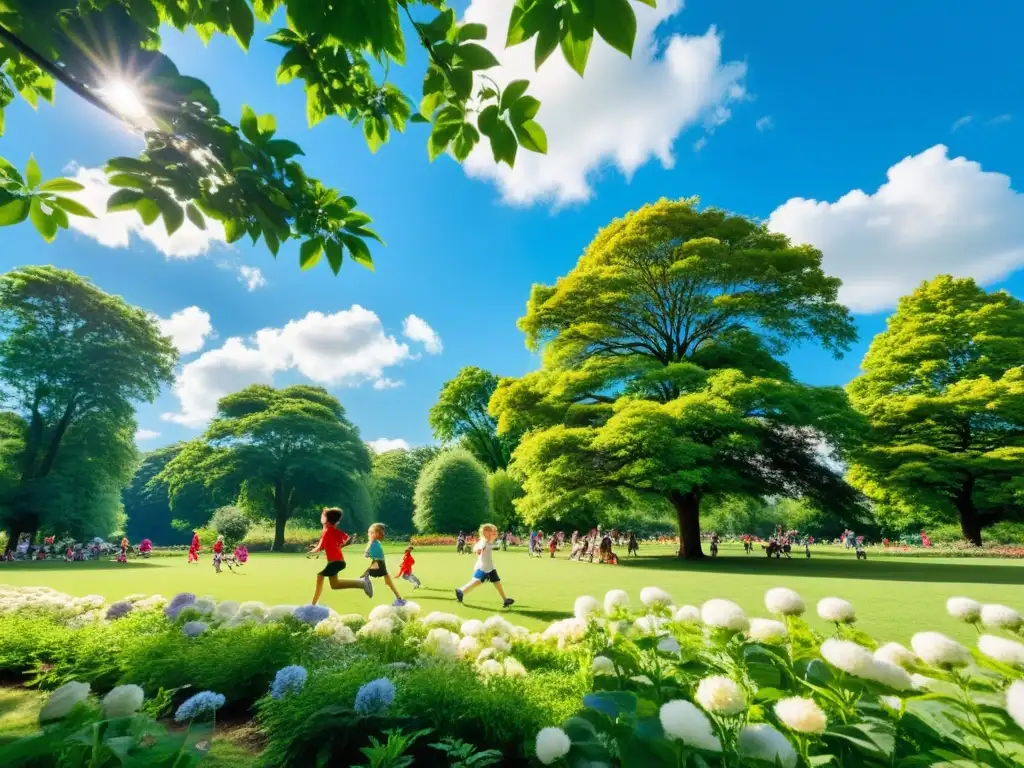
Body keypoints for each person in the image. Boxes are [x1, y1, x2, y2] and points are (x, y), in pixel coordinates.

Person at [309, 507, 373, 606]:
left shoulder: (330, 530)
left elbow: (344, 540)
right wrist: (315, 549)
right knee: (335, 585)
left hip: (336, 562)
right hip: (335, 562)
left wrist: (313, 551)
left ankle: (313, 604)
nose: (321, 518)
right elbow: (322, 546)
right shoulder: (328, 531)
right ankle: (361, 583)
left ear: (327, 519)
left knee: (320, 576)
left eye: (323, 516)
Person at [456, 523, 514, 609]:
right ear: (486, 532)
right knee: (477, 581)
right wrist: (479, 552)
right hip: (483, 567)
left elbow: (494, 536)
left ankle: (505, 600)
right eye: (492, 531)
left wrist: (494, 532)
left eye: (494, 531)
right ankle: (461, 591)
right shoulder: (483, 541)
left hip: (490, 566)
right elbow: (477, 549)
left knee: (497, 582)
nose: (494, 533)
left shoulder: (488, 540)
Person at [363, 523, 406, 606]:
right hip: (378, 562)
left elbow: (367, 553)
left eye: (382, 533)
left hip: (379, 562)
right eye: (381, 533)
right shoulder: (372, 542)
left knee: (386, 580)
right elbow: (366, 553)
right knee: (387, 580)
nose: (383, 535)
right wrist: (368, 553)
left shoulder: (376, 542)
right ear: (374, 533)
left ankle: (399, 599)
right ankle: (399, 599)